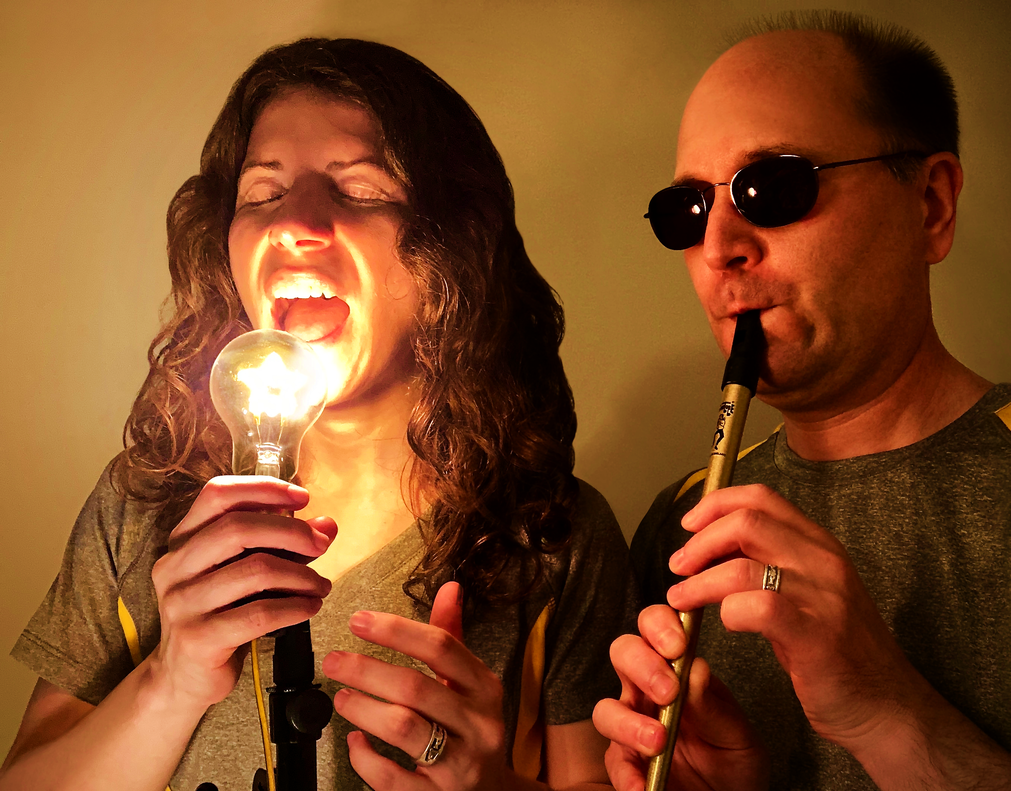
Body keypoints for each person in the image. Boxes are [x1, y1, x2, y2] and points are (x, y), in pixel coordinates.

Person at [1, 38, 636, 791]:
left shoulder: (554, 536)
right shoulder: (141, 507)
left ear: (451, 253)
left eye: (361, 191)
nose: (293, 224)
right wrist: (169, 683)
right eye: (262, 194)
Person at [593, 10, 1011, 791]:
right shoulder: (685, 515)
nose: (720, 244)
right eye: (687, 210)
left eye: (771, 187)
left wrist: (883, 710)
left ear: (929, 205)